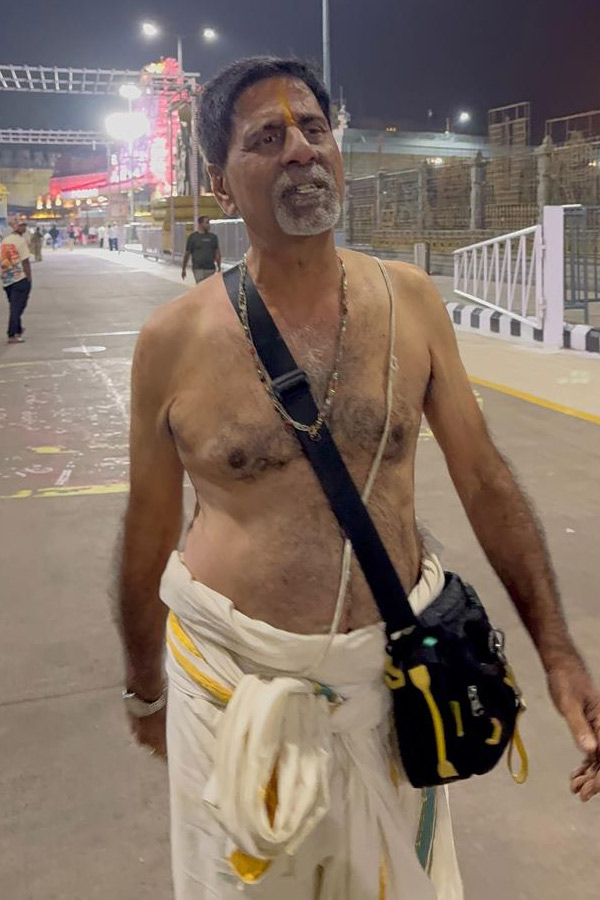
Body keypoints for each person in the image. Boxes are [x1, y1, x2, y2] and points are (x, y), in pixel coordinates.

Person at [117, 57, 600, 900]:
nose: (301, 150)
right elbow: (149, 529)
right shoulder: (173, 341)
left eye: (313, 127)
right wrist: (145, 686)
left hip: (389, 687)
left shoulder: (410, 302)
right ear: (221, 182)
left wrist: (558, 654)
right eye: (266, 138)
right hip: (233, 688)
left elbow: (484, 478)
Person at [1, 220, 32, 344]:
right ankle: (12, 333)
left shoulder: (5, 241)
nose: (24, 227)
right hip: (20, 277)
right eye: (23, 225)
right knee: (18, 306)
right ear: (17, 228)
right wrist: (29, 277)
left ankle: (18, 328)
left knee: (14, 305)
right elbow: (25, 261)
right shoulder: (21, 241)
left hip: (7, 279)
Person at [181, 215, 222, 283]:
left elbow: (217, 252)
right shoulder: (193, 237)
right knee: (201, 286)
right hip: (198, 268)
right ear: (200, 224)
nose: (209, 225)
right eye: (207, 223)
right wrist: (183, 268)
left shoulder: (213, 237)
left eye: (209, 223)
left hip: (210, 268)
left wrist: (219, 266)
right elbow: (187, 254)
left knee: (209, 288)